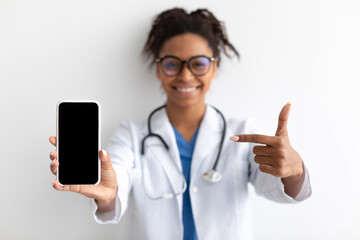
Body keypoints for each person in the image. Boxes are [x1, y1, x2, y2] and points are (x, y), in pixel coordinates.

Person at [48, 8, 311, 240]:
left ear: (214, 68)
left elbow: (278, 189)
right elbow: (116, 180)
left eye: (198, 64)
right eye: (172, 64)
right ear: (158, 69)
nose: (185, 76)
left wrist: (294, 171)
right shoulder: (131, 135)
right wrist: (107, 195)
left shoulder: (241, 133)